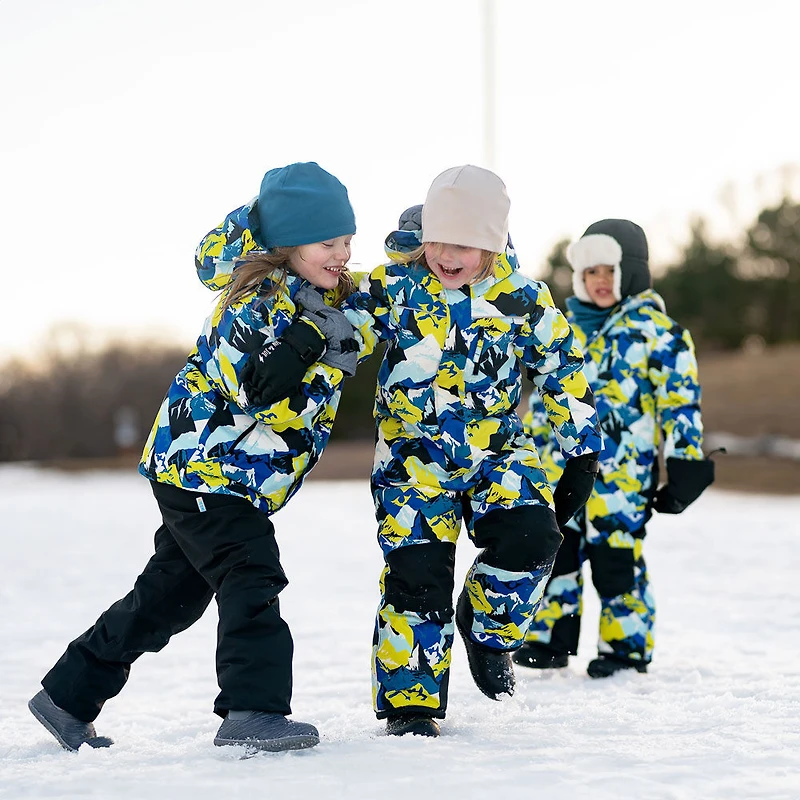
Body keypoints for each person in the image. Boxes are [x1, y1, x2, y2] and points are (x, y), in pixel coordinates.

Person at [28, 162, 360, 752]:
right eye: (328, 242)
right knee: (250, 572)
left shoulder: (317, 296)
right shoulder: (252, 304)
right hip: (205, 467)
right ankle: (252, 710)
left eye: (347, 241)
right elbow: (255, 391)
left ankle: (67, 697)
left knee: (167, 597)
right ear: (287, 245)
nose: (342, 252)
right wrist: (312, 341)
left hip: (222, 473)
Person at [345, 166, 603, 736]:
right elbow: (341, 329)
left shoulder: (523, 300)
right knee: (417, 580)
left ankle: (488, 631)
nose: (446, 254)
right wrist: (303, 349)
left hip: (498, 456)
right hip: (413, 465)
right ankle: (411, 706)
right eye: (437, 240)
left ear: (490, 240)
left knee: (535, 538)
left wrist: (581, 453)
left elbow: (562, 369)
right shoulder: (395, 289)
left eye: (462, 243)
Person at [513, 219, 715, 679]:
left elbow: (680, 403)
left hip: (622, 475)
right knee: (555, 552)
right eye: (590, 273)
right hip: (557, 468)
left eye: (608, 271)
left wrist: (685, 462)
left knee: (616, 557)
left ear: (633, 273)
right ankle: (548, 639)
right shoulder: (561, 329)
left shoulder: (658, 332)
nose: (599, 282)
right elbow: (542, 401)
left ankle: (624, 648)